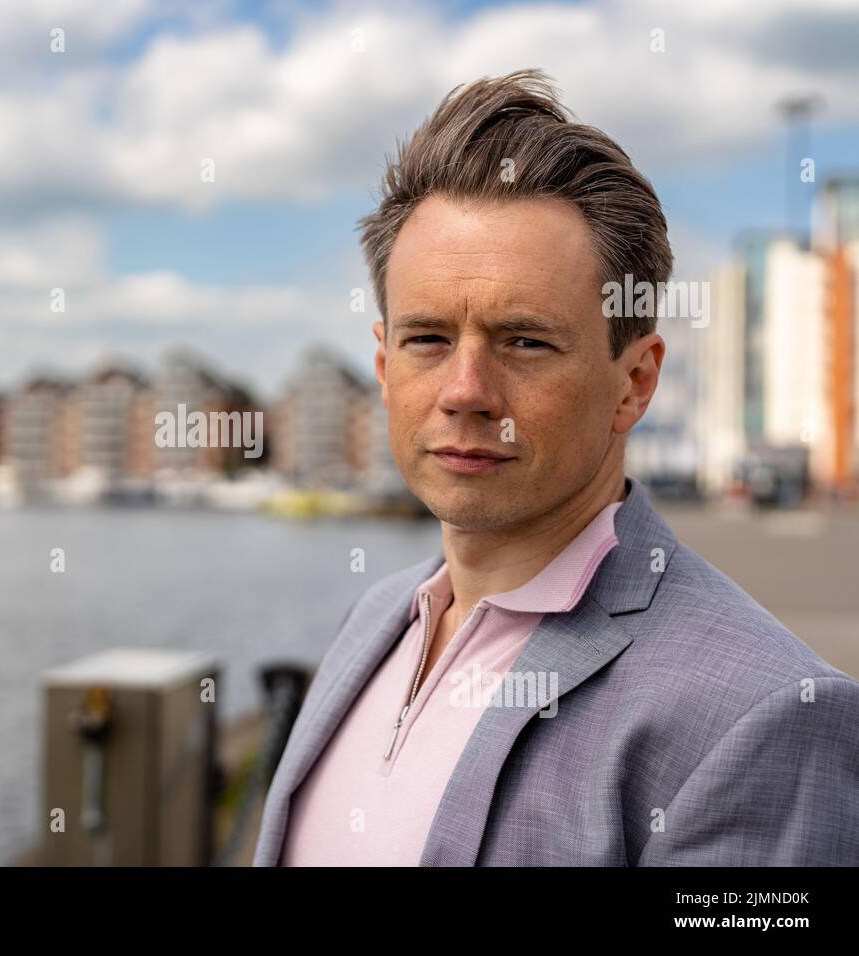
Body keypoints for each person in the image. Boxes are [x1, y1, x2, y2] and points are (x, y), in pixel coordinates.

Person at [253, 68, 859, 866]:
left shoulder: (763, 718)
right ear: (383, 365)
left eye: (526, 342)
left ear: (634, 382)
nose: (466, 392)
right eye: (428, 339)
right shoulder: (374, 620)